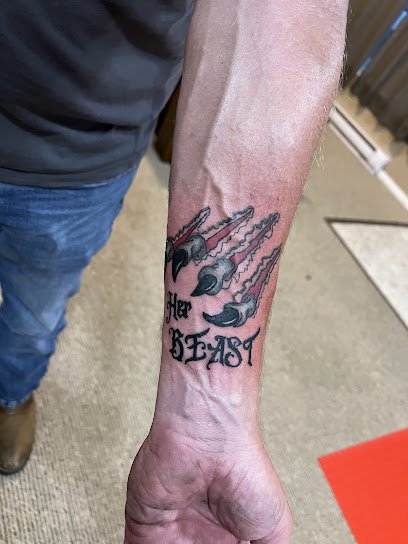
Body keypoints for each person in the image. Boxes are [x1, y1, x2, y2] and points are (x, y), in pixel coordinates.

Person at [0, 1, 348, 542]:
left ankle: (11, 393)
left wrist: (206, 415)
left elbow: (273, 15)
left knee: (34, 315)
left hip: (70, 150)